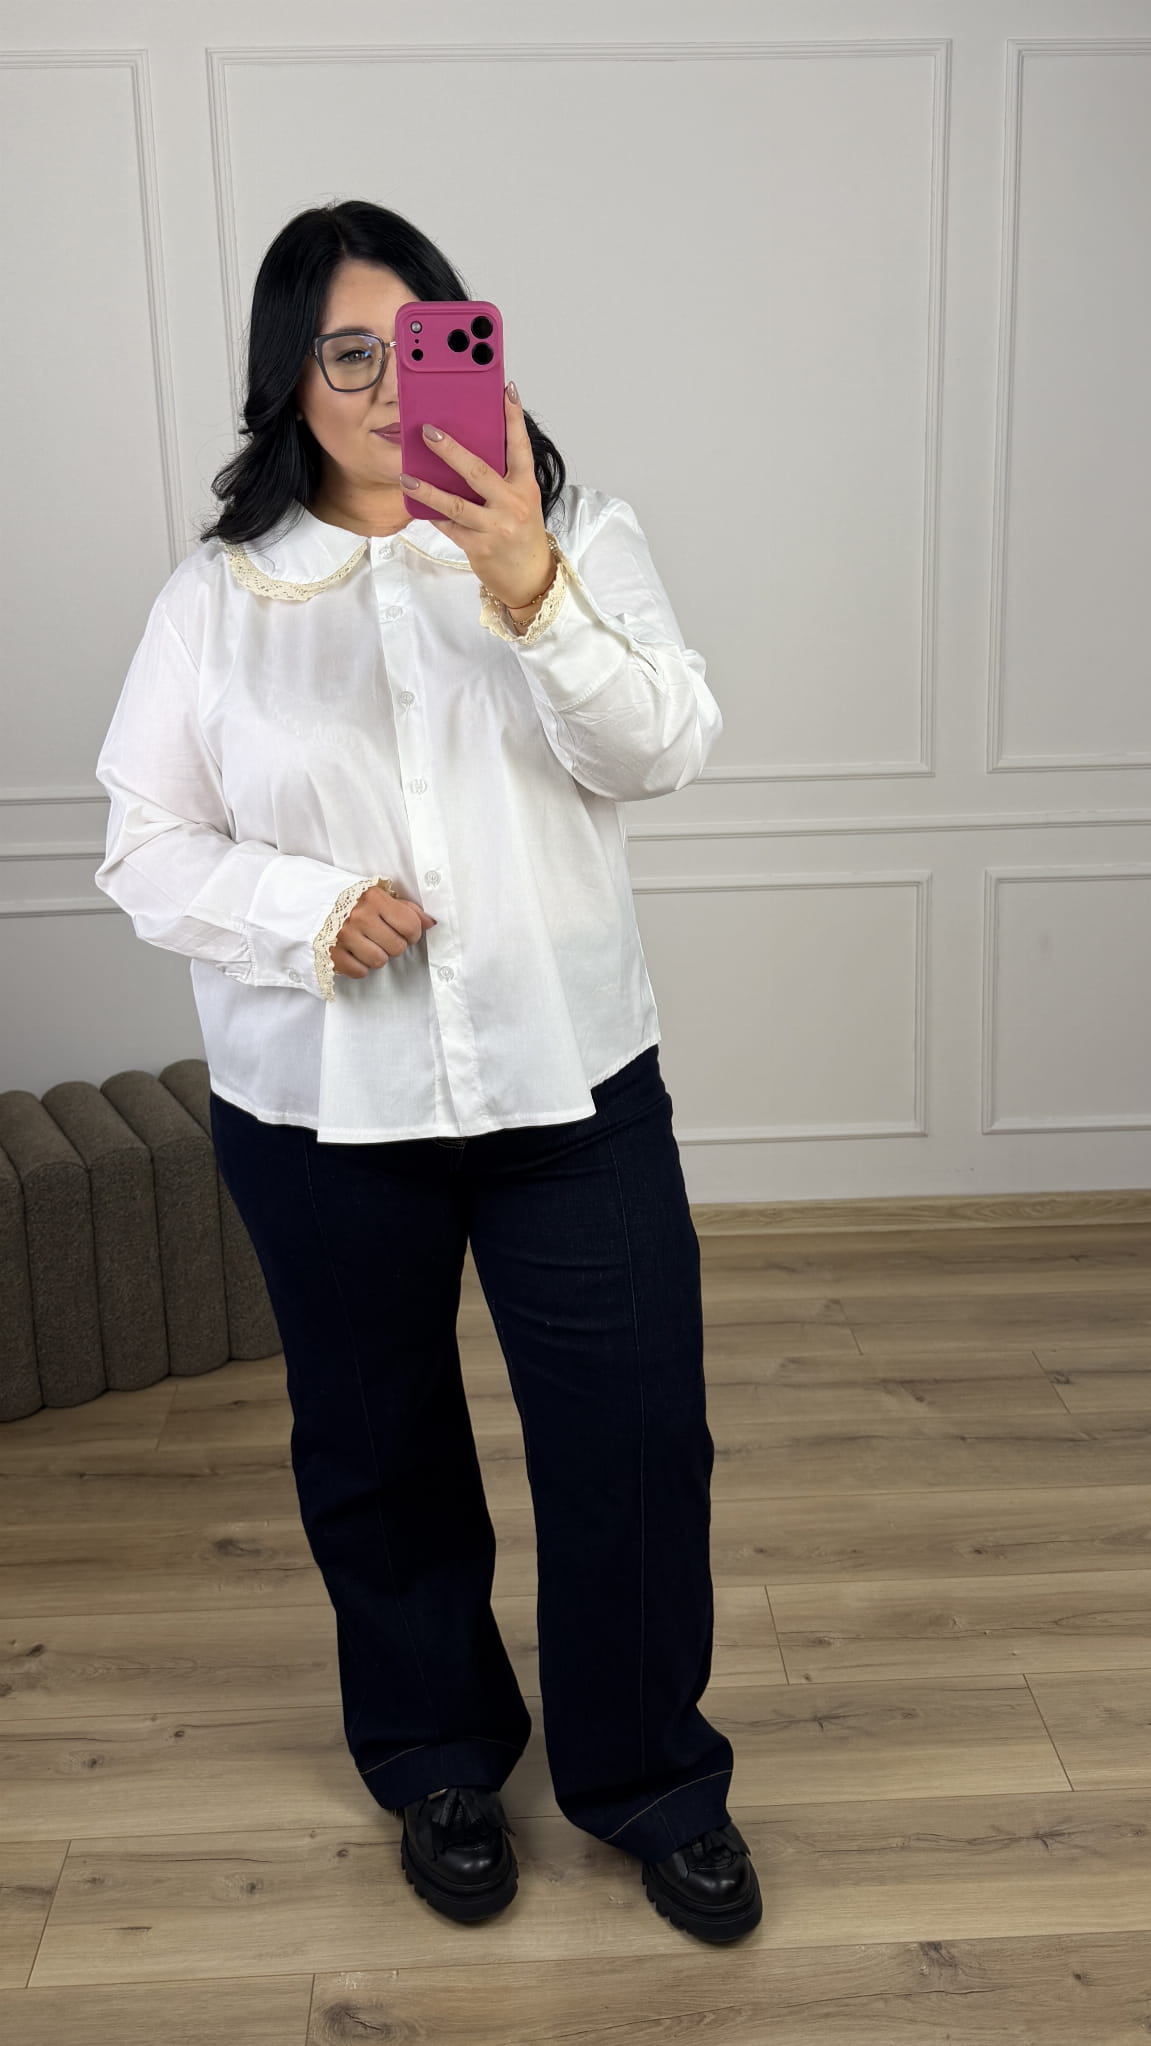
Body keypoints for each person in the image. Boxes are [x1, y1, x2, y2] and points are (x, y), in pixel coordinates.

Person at [93, 199, 762, 1946]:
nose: (392, 387)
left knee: (635, 1438)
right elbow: (145, 846)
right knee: (377, 1448)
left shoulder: (575, 534)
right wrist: (307, 912)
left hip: (570, 1085)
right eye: (348, 354)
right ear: (288, 382)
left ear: (474, 343)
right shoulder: (218, 601)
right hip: (324, 1112)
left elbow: (666, 746)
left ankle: (651, 1777)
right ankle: (437, 1756)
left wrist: (528, 584)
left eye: (422, 342)